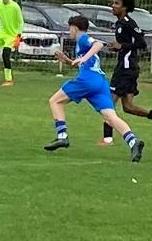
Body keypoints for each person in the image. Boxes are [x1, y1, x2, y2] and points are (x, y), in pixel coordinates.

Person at [43, 15, 144, 162]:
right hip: (100, 83)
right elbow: (84, 63)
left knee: (55, 101)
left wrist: (83, 58)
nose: (69, 32)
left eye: (70, 28)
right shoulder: (81, 45)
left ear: (75, 28)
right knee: (111, 117)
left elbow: (98, 44)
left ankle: (62, 136)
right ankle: (133, 142)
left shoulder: (83, 39)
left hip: (87, 80)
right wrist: (68, 61)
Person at [99, 0, 152, 145]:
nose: (112, 5)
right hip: (126, 67)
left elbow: (141, 43)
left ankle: (107, 140)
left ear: (125, 7)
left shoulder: (128, 23)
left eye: (116, 3)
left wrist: (122, 46)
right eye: (112, 2)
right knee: (128, 107)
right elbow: (127, 45)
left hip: (126, 69)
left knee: (108, 104)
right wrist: (117, 47)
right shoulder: (120, 23)